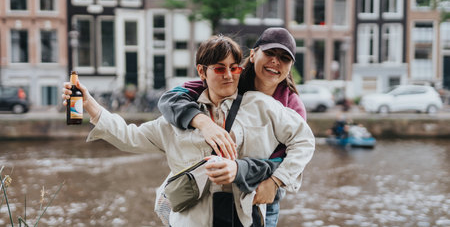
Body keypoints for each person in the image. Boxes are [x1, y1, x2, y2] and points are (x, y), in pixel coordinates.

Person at [62, 35, 315, 227]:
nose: (228, 75)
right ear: (201, 72)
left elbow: (304, 141)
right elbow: (130, 137)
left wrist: (275, 180)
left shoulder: (263, 106)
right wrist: (90, 106)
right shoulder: (179, 119)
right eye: (219, 68)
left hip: (245, 218)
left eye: (234, 68)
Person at [158, 27, 307, 226]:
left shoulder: (292, 107)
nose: (275, 61)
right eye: (270, 53)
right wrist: (203, 123)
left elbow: (294, 153)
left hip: (261, 192)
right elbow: (171, 98)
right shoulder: (232, 78)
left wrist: (274, 182)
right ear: (253, 55)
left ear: (290, 66)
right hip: (217, 187)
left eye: (284, 58)